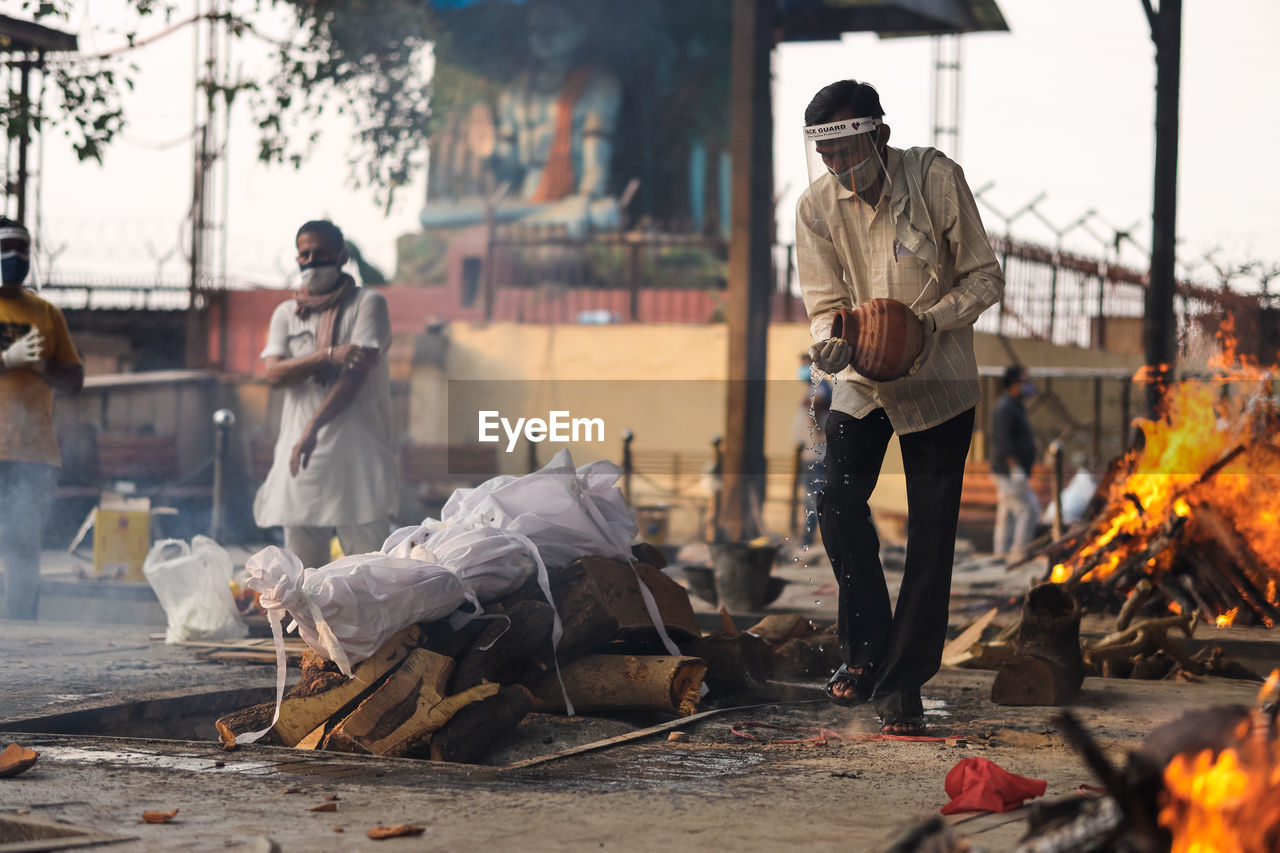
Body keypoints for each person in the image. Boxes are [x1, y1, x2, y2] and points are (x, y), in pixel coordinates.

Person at [797, 79, 1004, 734]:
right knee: (834, 499)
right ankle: (865, 654)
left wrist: (926, 323)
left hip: (938, 376)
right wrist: (830, 347)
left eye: (848, 151)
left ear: (879, 136)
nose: (838, 168)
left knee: (931, 533)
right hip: (864, 379)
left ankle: (903, 683)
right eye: (826, 157)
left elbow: (984, 275)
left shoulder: (936, 178)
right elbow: (825, 306)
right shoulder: (815, 208)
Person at [253, 220, 397, 570]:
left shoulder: (368, 304)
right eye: (305, 254)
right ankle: (306, 628)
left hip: (355, 453)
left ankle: (373, 628)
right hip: (300, 457)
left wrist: (312, 429)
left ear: (342, 256)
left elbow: (353, 378)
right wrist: (326, 355)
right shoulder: (287, 313)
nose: (312, 261)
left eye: (322, 253)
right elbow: (273, 373)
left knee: (370, 571)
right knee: (301, 576)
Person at [0, 218, 84, 619]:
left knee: (21, 547)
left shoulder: (46, 313)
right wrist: (6, 359)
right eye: (5, 248)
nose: (13, 257)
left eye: (21, 249)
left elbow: (75, 378)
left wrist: (41, 368)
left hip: (32, 453)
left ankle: (18, 635)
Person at [991, 365, 1040, 557]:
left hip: (1009, 472)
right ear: (1013, 384)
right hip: (1008, 472)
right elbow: (1003, 441)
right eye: (1024, 382)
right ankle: (1018, 552)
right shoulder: (1005, 408)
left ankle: (1001, 553)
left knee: (1007, 514)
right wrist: (1015, 467)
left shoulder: (1014, 405)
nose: (1028, 386)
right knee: (1028, 510)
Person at [791, 351, 831, 550]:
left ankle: (808, 542)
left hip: (817, 454)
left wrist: (810, 405)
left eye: (807, 365)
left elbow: (819, 403)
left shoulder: (820, 387)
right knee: (816, 498)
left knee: (813, 500)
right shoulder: (814, 388)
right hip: (812, 453)